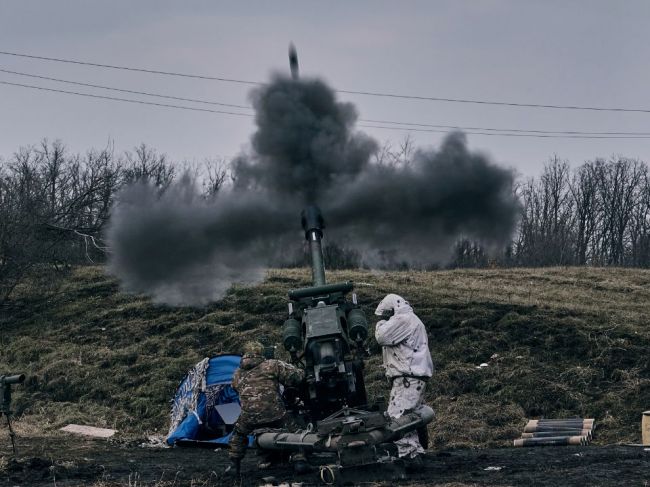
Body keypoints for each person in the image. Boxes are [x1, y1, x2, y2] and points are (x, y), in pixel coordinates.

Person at [225, 341, 308, 477]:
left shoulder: (237, 373)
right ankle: (299, 461)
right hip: (274, 412)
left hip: (249, 416)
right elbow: (295, 377)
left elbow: (234, 387)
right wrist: (303, 372)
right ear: (261, 352)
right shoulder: (272, 365)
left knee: (238, 435)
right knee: (295, 430)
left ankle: (234, 465)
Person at [374, 293, 433, 466]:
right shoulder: (411, 319)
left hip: (408, 377)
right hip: (414, 377)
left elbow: (381, 337)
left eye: (386, 314)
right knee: (409, 418)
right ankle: (417, 452)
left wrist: (380, 323)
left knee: (397, 418)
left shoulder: (403, 319)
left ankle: (410, 456)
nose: (384, 318)